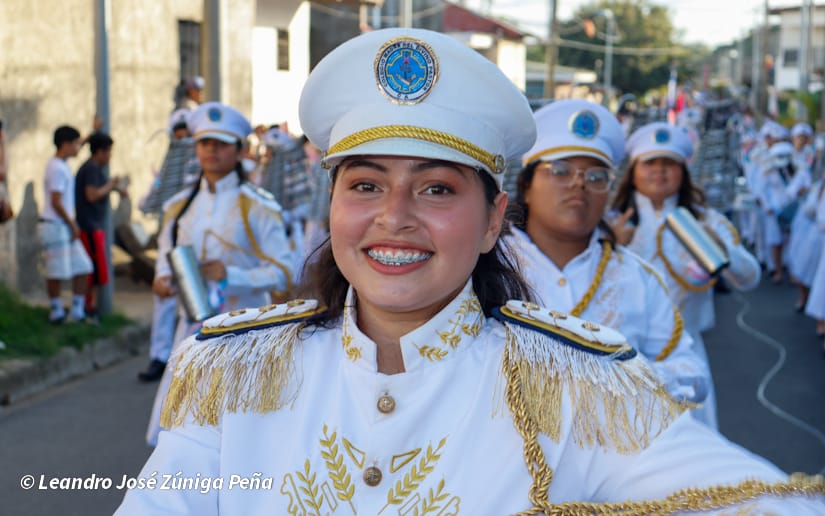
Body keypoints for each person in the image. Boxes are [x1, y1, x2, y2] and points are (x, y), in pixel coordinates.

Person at [117, 28, 824, 514]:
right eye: (364, 185)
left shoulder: (577, 383)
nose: (394, 216)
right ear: (330, 206)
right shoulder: (231, 368)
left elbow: (749, 497)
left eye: (435, 189)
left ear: (492, 221)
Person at [505, 99, 708, 406]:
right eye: (560, 171)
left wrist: (618, 381)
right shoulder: (486, 265)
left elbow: (691, 373)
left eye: (596, 177)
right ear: (527, 186)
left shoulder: (637, 277)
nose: (579, 184)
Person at [143, 101, 296, 445]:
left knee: (241, 438)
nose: (211, 151)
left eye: (221, 144)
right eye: (204, 143)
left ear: (239, 150)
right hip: (193, 335)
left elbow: (285, 273)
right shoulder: (178, 206)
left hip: (245, 335)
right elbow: (167, 255)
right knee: (183, 438)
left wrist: (231, 275)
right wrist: (162, 278)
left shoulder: (258, 205)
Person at [610, 121, 761, 429]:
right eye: (650, 162)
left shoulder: (705, 221)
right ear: (634, 169)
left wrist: (723, 252)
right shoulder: (610, 221)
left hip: (686, 355)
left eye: (670, 163)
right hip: (620, 359)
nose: (659, 171)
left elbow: (750, 278)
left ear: (683, 172)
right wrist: (609, 244)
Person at [38, 125, 94, 323]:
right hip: (55, 225)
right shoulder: (56, 168)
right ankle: (56, 311)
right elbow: (56, 200)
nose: (78, 148)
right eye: (75, 144)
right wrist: (73, 225)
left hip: (64, 225)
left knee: (83, 266)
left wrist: (91, 132)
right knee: (57, 271)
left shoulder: (60, 164)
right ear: (65, 144)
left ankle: (77, 311)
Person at [74, 131, 127, 319]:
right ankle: (86, 308)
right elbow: (92, 195)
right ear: (100, 152)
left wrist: (117, 188)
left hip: (93, 226)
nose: (110, 156)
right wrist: (111, 185)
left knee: (96, 272)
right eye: (109, 152)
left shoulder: (95, 169)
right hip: (88, 226)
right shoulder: (90, 169)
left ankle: (88, 308)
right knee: (91, 271)